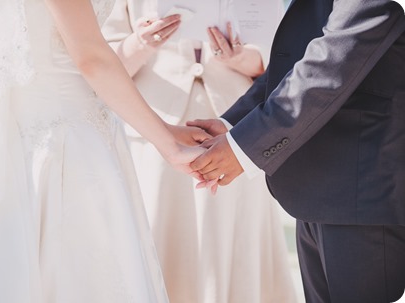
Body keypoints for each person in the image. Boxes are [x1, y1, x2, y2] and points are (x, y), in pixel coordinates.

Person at [0, 0, 209, 302]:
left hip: (49, 140)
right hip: (64, 151)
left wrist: (166, 130)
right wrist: (170, 147)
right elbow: (92, 59)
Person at [189, 0, 405, 302]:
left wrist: (242, 149)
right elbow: (296, 62)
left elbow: (327, 68)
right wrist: (232, 125)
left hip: (361, 192)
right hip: (313, 187)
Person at [102, 1, 297, 302]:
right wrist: (140, 43)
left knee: (232, 246)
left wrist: (240, 58)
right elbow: (98, 65)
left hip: (236, 128)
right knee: (157, 237)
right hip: (156, 129)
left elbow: (282, 61)